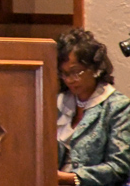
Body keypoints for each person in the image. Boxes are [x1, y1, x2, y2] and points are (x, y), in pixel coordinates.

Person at [56, 28, 130, 186]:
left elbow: (118, 167)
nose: (69, 80)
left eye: (75, 72)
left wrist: (70, 178)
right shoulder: (58, 103)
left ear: (95, 69)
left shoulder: (117, 107)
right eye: (64, 73)